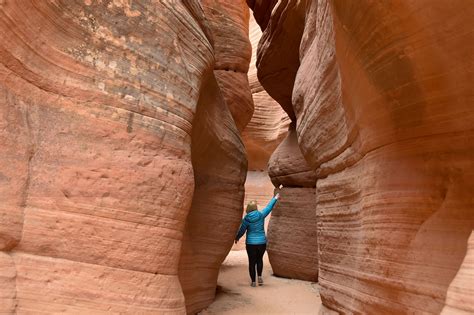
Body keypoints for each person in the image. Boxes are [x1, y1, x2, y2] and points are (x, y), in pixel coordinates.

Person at [234, 191, 280, 287]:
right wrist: (275, 198)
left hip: (251, 243)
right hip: (261, 242)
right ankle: (259, 276)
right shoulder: (261, 215)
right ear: (255, 208)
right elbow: (269, 207)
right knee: (259, 260)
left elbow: (242, 230)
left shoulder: (246, 219)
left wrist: (237, 237)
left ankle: (253, 282)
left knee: (252, 262)